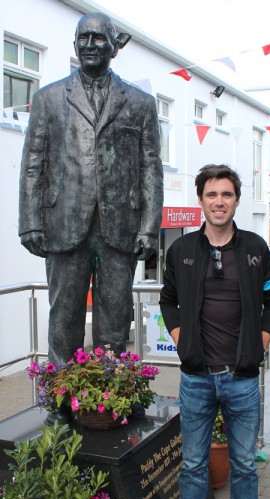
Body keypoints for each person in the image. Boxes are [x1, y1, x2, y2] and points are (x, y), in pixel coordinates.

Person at [19, 11, 163, 365]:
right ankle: (59, 403)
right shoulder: (48, 99)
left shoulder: (140, 103)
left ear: (113, 46)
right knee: (63, 320)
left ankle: (111, 403)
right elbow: (33, 163)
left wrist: (149, 227)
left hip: (120, 230)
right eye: (83, 38)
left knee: (114, 323)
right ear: (74, 45)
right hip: (63, 224)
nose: (90, 45)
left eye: (98, 38)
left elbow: (151, 168)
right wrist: (30, 222)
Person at [159, 164, 270, 499]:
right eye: (211, 194)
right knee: (193, 464)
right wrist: (181, 339)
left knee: (245, 465)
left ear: (236, 200)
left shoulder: (255, 249)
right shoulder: (181, 251)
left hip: (243, 378)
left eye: (226, 194)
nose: (218, 201)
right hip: (196, 377)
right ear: (200, 200)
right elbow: (169, 299)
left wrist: (260, 345)